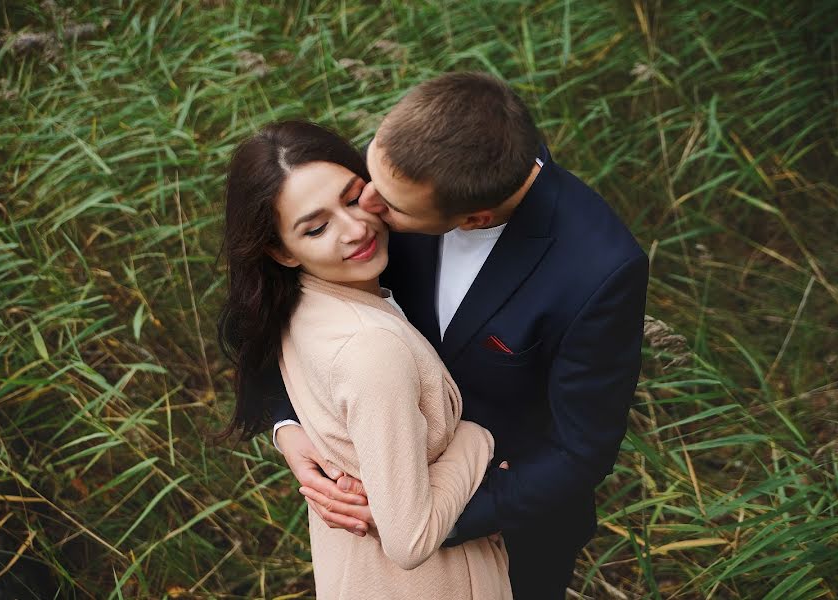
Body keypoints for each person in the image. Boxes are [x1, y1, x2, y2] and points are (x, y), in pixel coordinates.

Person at [269, 72, 649, 599]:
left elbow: (581, 449)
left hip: (511, 527)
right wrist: (287, 427)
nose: (366, 209)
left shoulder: (600, 269)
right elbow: (269, 299)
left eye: (391, 209)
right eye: (366, 179)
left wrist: (431, 517)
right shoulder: (399, 166)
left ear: (474, 218)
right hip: (367, 527)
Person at [215, 120, 514, 599]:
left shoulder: (301, 301)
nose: (356, 229)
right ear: (281, 251)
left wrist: (290, 429)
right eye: (316, 228)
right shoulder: (370, 346)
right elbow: (409, 539)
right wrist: (476, 439)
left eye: (354, 198)